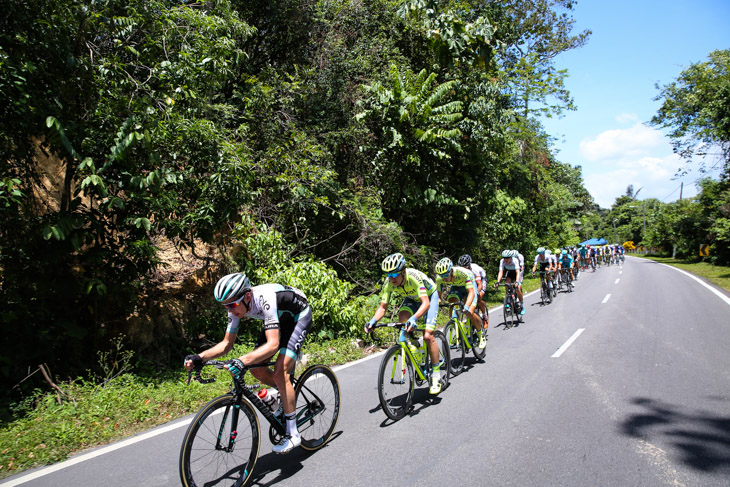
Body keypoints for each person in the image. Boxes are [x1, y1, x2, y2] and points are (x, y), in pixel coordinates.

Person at [184, 273, 312, 454]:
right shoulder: (237, 306)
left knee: (280, 372)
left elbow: (273, 344)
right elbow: (227, 344)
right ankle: (285, 395)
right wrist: (200, 357)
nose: (230, 310)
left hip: (298, 316)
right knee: (257, 370)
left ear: (248, 296)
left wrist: (242, 360)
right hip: (279, 318)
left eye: (232, 304)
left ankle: (293, 434)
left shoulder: (265, 298)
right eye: (225, 306)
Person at [364, 253, 443, 394]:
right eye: (389, 275)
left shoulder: (413, 277)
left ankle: (436, 374)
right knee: (402, 318)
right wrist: (372, 321)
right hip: (412, 298)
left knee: (428, 335)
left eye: (395, 274)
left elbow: (425, 304)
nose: (392, 278)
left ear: (403, 271)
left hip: (429, 296)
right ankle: (415, 344)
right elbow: (383, 307)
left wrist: (415, 318)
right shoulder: (389, 283)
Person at [435, 257, 487, 349]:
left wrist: (467, 306)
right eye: (442, 276)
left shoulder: (463, 273)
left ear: (451, 271)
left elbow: (471, 292)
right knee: (452, 303)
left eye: (446, 275)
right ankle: (457, 327)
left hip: (469, 286)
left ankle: (480, 334)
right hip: (456, 287)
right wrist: (439, 301)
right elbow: (438, 295)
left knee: (470, 312)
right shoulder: (439, 278)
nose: (444, 278)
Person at [457, 254, 490, 329]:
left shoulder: (474, 269)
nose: (463, 269)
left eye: (465, 267)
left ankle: (484, 316)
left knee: (478, 298)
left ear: (468, 265)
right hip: (470, 281)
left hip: (481, 280)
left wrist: (476, 294)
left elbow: (479, 285)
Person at [494, 250, 525, 314]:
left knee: (518, 288)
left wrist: (517, 281)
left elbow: (518, 272)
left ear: (511, 257)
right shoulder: (502, 261)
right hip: (510, 272)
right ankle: (508, 299)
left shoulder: (515, 260)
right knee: (507, 283)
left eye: (507, 258)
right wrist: (497, 281)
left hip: (516, 272)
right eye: (504, 258)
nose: (506, 259)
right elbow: (501, 272)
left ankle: (522, 305)